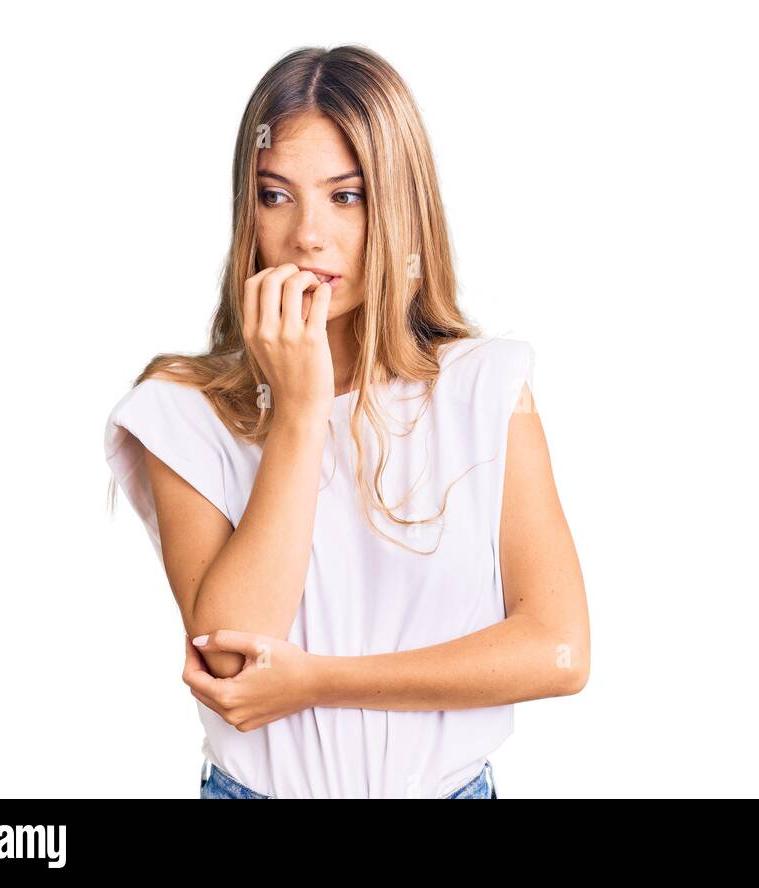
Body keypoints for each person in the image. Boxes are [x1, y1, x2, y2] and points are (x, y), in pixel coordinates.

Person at [103, 45, 589, 799]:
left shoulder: (486, 387)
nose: (307, 235)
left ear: (399, 205)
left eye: (346, 196)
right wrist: (299, 414)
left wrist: (318, 682)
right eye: (274, 195)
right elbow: (232, 663)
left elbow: (558, 650)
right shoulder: (181, 408)